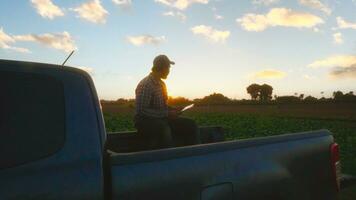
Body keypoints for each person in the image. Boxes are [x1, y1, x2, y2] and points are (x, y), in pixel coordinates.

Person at [134, 54, 200, 150]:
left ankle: (194, 152)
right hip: (144, 122)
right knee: (164, 129)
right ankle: (168, 157)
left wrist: (174, 109)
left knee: (191, 124)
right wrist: (167, 114)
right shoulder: (146, 84)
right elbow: (141, 111)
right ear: (161, 67)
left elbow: (162, 106)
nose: (169, 71)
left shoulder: (162, 84)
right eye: (168, 68)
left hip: (161, 118)